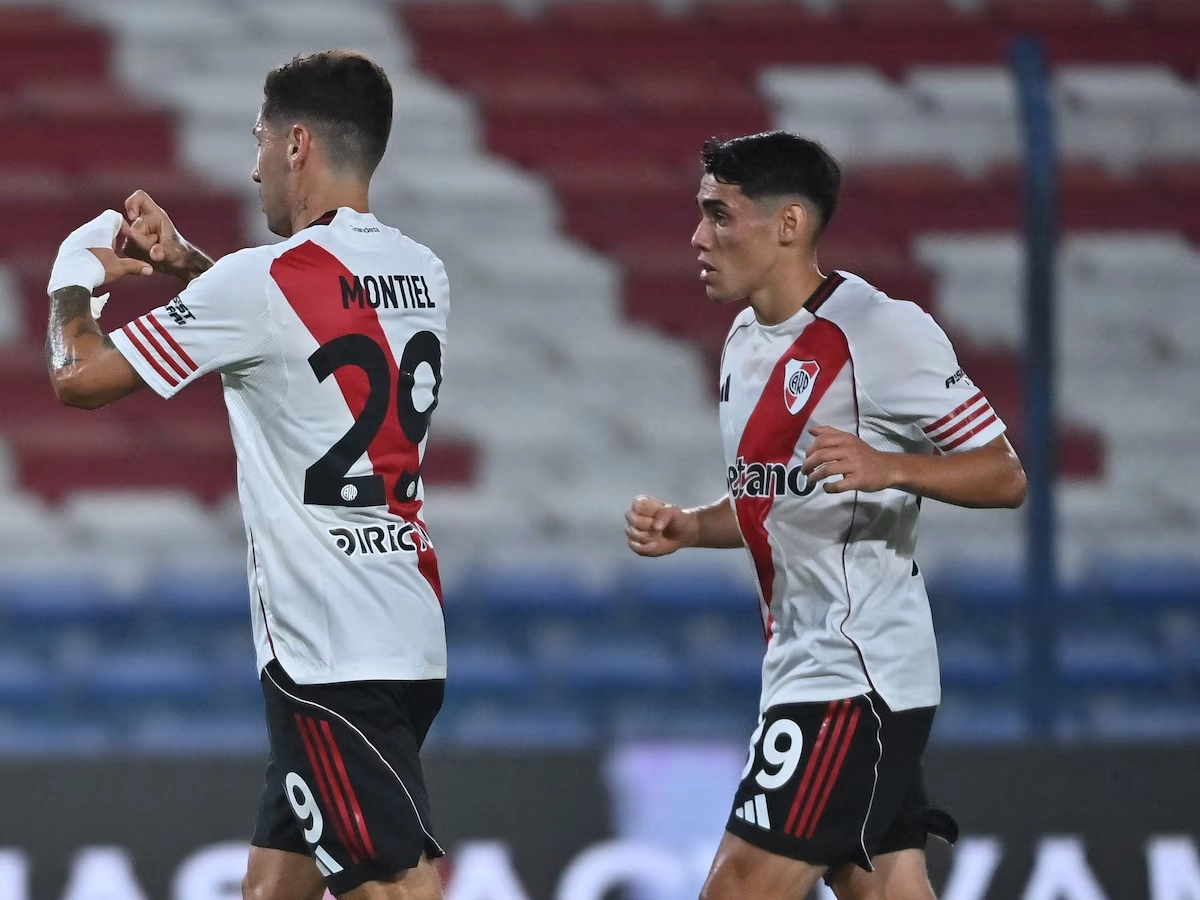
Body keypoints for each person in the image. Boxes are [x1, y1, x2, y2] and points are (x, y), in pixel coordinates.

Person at [44, 51, 449, 900]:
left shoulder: (256, 285)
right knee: (273, 891)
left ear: (298, 142)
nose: (253, 160)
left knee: (401, 888)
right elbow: (302, 332)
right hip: (406, 629)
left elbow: (78, 380)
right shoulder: (422, 272)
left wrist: (71, 283)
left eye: (260, 138)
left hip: (324, 647)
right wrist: (194, 265)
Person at [624, 131, 1027, 900]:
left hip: (854, 676)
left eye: (719, 215)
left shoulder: (880, 331)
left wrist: (889, 467)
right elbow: (769, 503)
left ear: (789, 225)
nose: (697, 237)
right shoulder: (745, 340)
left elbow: (1004, 476)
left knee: (737, 888)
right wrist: (691, 526)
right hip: (801, 665)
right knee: (889, 890)